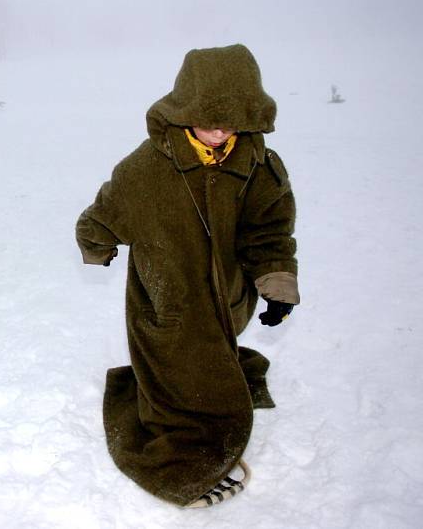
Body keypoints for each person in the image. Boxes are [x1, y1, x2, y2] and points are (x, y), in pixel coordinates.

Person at [75, 44, 299, 508]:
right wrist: (98, 244)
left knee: (214, 359)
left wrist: (275, 284)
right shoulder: (146, 169)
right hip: (167, 301)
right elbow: (103, 213)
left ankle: (208, 401)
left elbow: (269, 230)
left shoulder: (256, 165)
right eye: (209, 119)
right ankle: (182, 465)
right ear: (184, 109)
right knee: (181, 386)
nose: (220, 131)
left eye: (232, 120)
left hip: (229, 296)